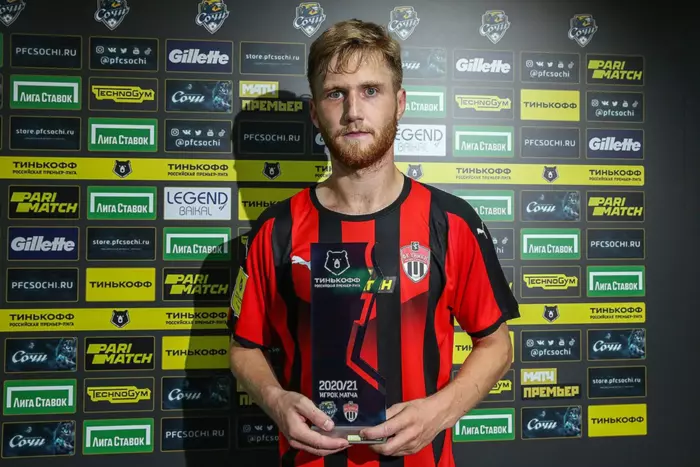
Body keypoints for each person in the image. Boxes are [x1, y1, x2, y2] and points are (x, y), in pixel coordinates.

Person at [228, 18, 519, 467]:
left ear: (399, 103)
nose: (353, 111)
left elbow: (497, 345)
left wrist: (441, 411)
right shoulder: (276, 229)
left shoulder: (451, 221)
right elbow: (244, 348)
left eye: (370, 90)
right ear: (315, 112)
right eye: (335, 93)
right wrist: (275, 400)